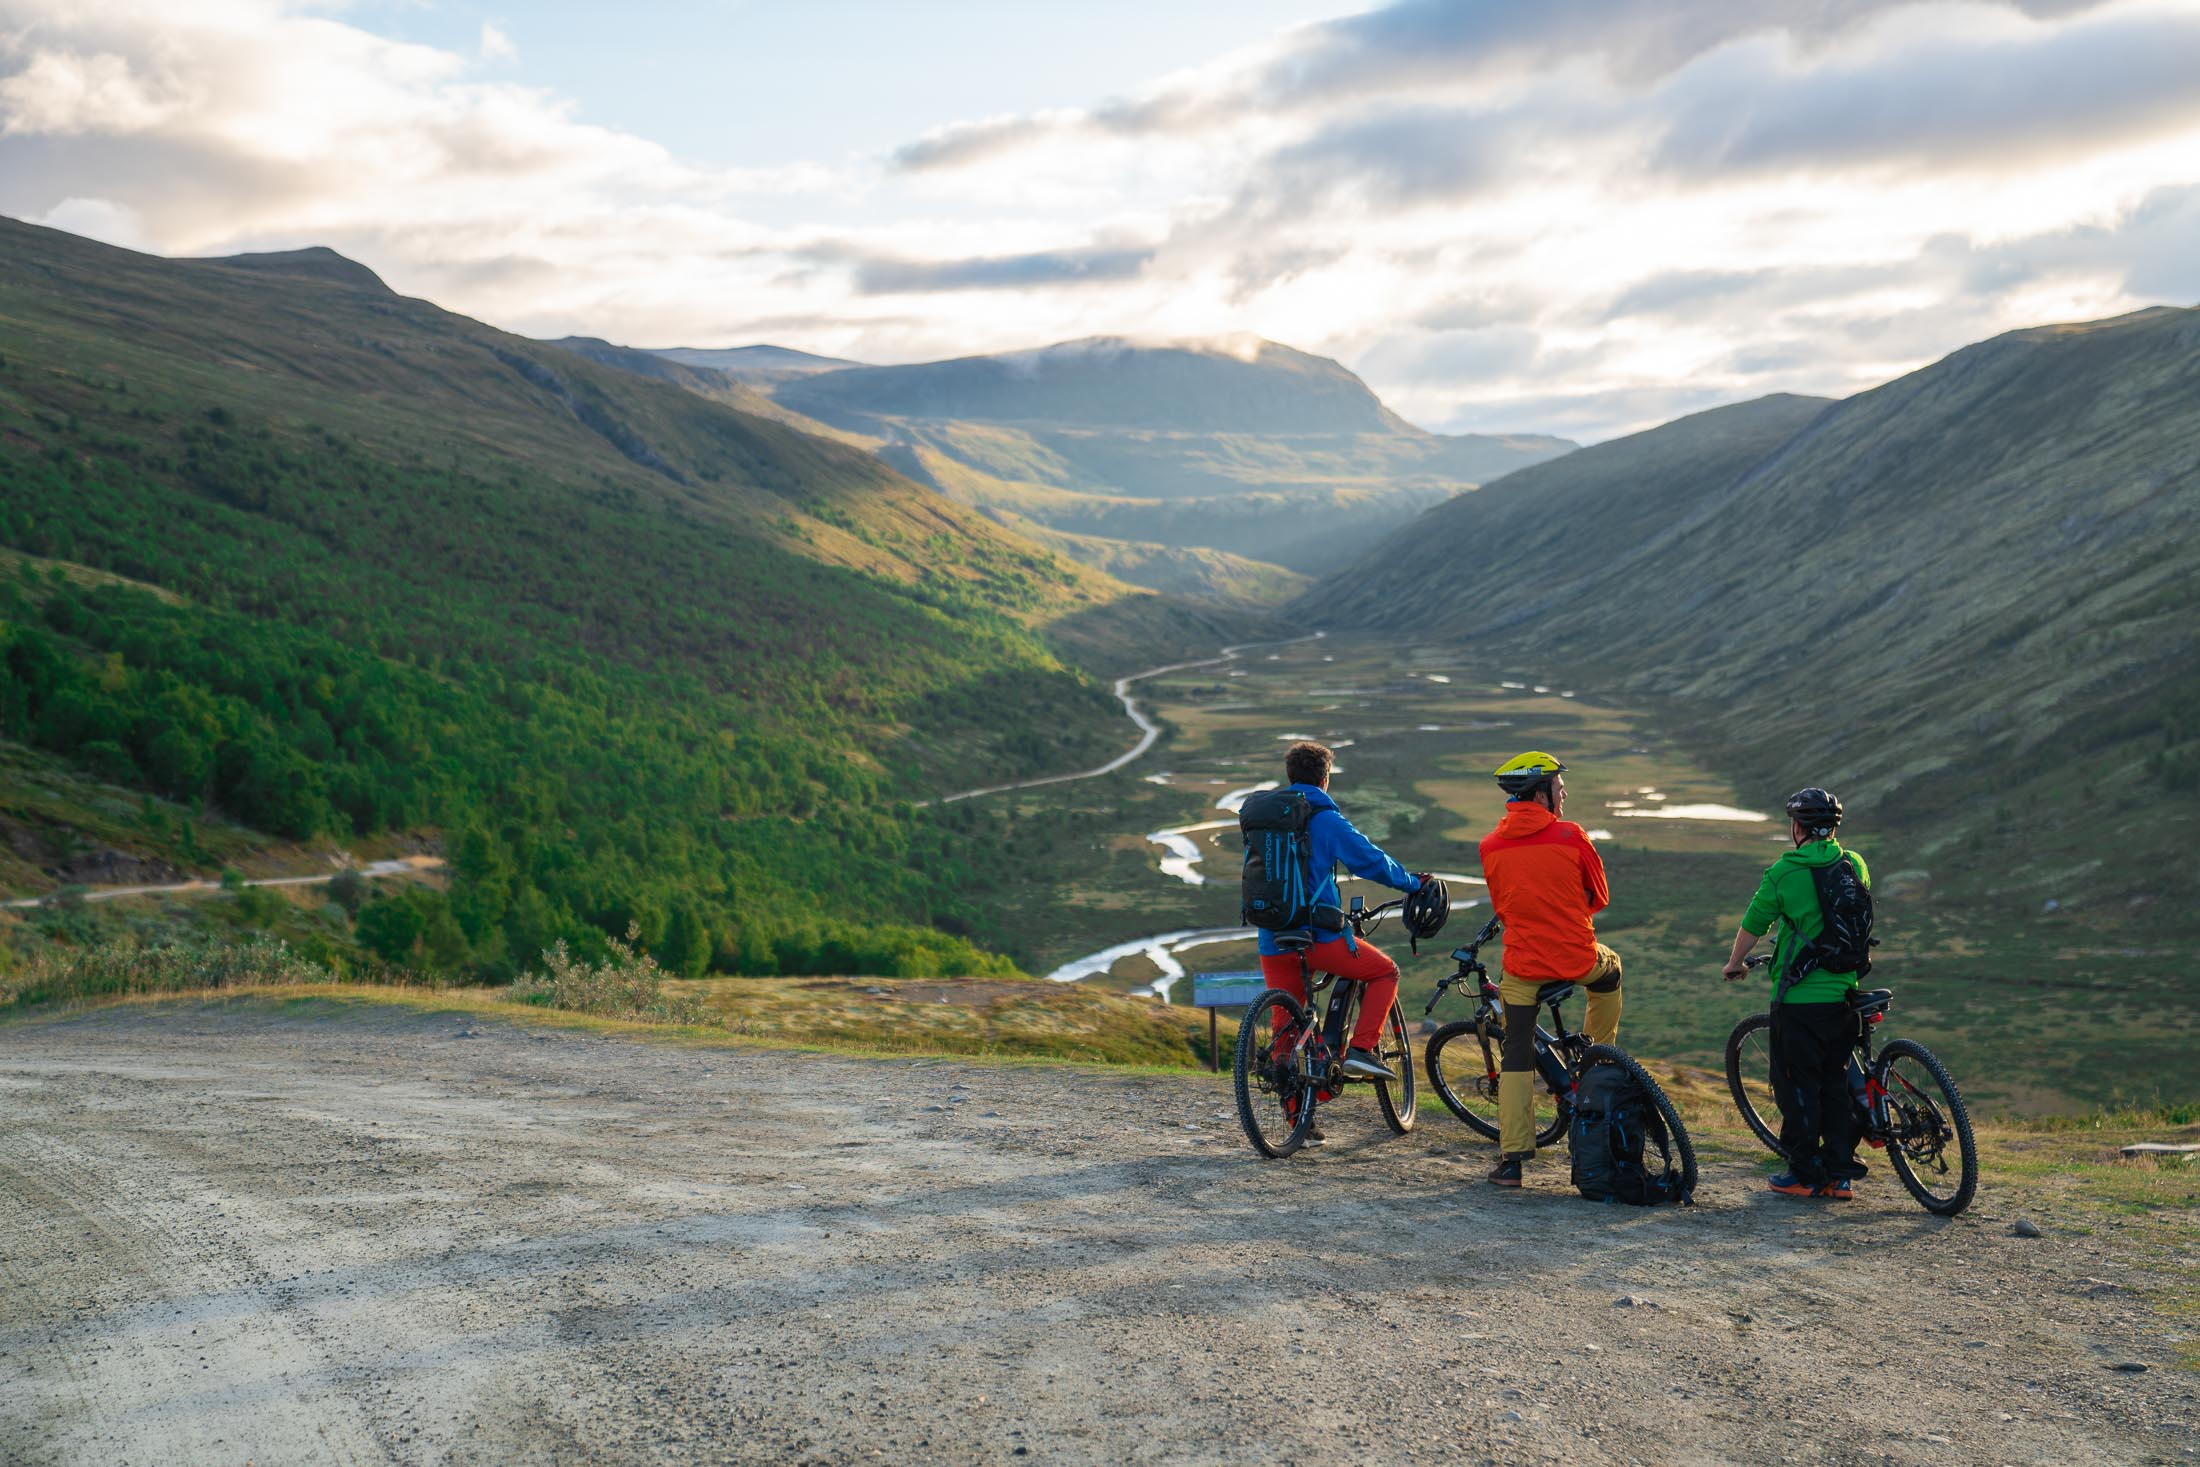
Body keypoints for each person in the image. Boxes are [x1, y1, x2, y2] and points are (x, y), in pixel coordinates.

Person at [1478, 752, 1622, 1188]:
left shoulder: (1490, 846)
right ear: (1541, 794)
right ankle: (1598, 1064)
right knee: (1611, 973)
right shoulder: (1571, 835)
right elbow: (1599, 898)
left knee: (1516, 1054)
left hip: (1522, 967)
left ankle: (1513, 1161)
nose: (1564, 794)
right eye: (1560, 788)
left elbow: (1504, 905)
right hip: (1577, 958)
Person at [1722, 787, 1871, 1199]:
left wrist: (1735, 963)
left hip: (1799, 1000)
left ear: (1796, 827)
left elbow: (1755, 924)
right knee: (1835, 1083)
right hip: (1845, 993)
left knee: (1796, 1085)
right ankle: (1840, 1175)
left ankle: (1804, 1174)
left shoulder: (1784, 872)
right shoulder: (1853, 863)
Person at [1255, 740, 1427, 1087]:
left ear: (1291, 776)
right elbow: (1370, 861)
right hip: (1318, 936)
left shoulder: (1267, 820)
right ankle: (1362, 1050)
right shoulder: (1325, 818)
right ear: (1324, 779)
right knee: (1384, 973)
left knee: (1285, 1022)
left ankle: (1296, 1123)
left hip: (1271, 937)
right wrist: (1412, 884)